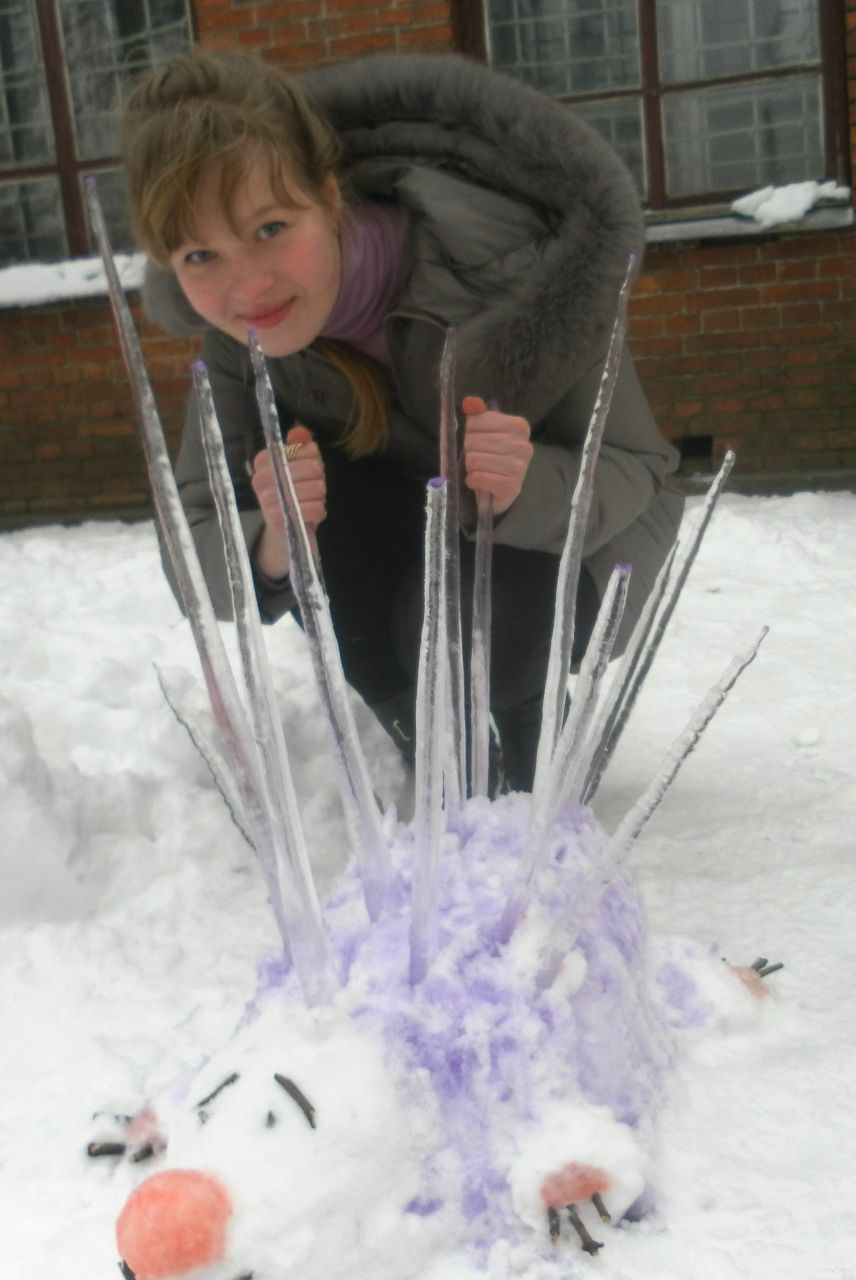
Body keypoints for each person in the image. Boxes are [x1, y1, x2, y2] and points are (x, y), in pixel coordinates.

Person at [120, 47, 684, 792]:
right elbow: (195, 538)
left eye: (269, 229)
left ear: (328, 196)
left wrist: (526, 485)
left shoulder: (516, 270)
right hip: (401, 527)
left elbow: (641, 468)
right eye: (199, 254)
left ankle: (526, 742)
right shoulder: (237, 341)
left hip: (566, 545)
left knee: (464, 628)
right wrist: (273, 543)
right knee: (316, 508)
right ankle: (432, 741)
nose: (247, 287)